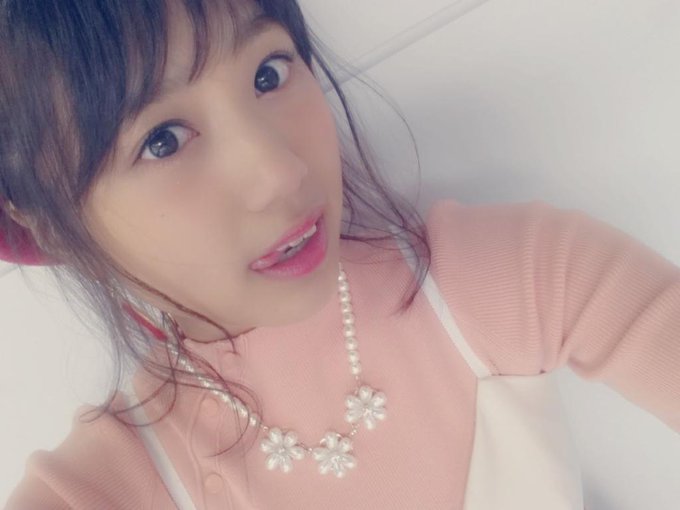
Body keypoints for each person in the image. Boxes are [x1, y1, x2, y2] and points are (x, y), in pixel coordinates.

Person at [1, 0, 678, 508]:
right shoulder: (104, 486)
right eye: (163, 140)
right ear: (50, 227)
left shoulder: (504, 279)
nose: (281, 173)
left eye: (268, 73)